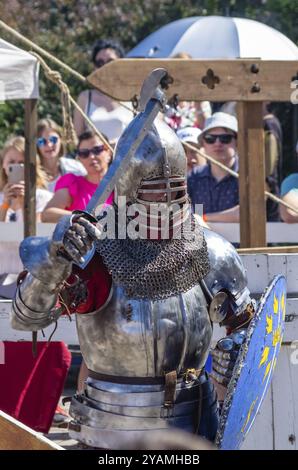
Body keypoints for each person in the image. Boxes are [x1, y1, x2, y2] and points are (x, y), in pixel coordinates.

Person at [10, 82, 255, 449]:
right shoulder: (98, 255)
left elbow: (248, 326)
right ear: (128, 190)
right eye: (156, 192)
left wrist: (236, 349)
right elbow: (27, 318)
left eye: (176, 191)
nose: (167, 204)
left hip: (195, 426)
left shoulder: (211, 250)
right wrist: (54, 263)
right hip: (112, 431)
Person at [41, 130, 113, 223]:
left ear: (109, 152)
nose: (91, 156)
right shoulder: (72, 184)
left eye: (96, 150)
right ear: (79, 158)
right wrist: (81, 218)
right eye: (84, 153)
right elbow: (47, 214)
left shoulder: (123, 185)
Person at [73, 39, 133, 142]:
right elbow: (78, 140)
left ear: (120, 64)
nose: (104, 66)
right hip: (95, 156)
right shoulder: (85, 97)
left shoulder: (133, 96)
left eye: (110, 62)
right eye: (99, 62)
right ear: (94, 67)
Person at [188, 112, 239, 223]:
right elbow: (180, 212)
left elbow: (246, 212)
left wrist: (204, 218)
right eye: (210, 138)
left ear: (237, 142)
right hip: (202, 240)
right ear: (203, 144)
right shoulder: (193, 177)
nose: (217, 143)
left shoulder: (249, 176)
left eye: (225, 138)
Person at [0, 136, 52, 222]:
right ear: (3, 165)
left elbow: (37, 232)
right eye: (11, 162)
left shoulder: (43, 197)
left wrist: (25, 205)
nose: (17, 166)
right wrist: (5, 204)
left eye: (22, 163)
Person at [37, 119, 86, 192]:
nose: (49, 145)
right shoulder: (31, 173)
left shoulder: (76, 168)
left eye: (53, 139)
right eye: (42, 141)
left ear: (61, 139)